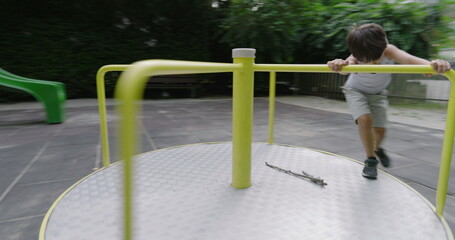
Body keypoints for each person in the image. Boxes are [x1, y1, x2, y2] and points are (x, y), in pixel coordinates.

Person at [327, 23, 451, 179]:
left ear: (383, 46)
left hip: (378, 94)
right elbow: (345, 68)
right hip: (356, 91)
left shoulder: (388, 50)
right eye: (366, 60)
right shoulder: (355, 57)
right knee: (365, 119)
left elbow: (410, 60)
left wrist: (432, 65)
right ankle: (370, 160)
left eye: (376, 60)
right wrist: (339, 64)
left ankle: (377, 149)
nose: (373, 64)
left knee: (380, 130)